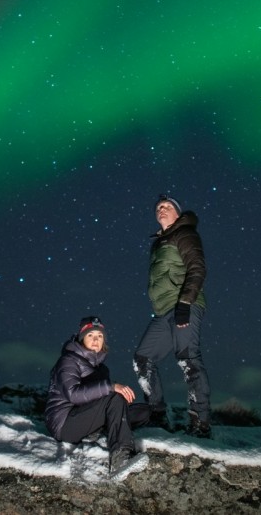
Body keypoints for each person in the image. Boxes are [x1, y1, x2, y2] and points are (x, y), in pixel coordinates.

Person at [133, 194, 212, 438]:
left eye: (167, 206)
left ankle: (200, 423)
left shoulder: (185, 233)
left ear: (177, 213)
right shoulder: (158, 242)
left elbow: (197, 267)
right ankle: (157, 414)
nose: (161, 209)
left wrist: (185, 303)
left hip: (184, 305)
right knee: (143, 359)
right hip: (163, 310)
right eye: (158, 207)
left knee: (187, 359)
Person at [45, 316, 152, 475]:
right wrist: (111, 387)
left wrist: (119, 402)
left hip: (84, 417)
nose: (96, 339)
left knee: (144, 411)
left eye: (100, 336)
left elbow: (99, 400)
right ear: (82, 338)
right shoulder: (68, 360)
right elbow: (73, 395)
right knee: (115, 396)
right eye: (90, 335)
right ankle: (120, 460)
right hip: (64, 424)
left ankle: (97, 431)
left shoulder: (101, 368)